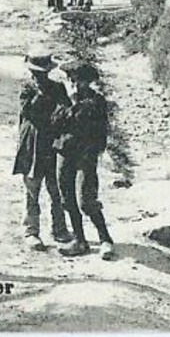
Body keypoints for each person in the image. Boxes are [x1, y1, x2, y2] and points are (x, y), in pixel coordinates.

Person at [52, 61, 115, 259]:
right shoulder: (64, 98)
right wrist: (70, 103)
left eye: (79, 81)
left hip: (85, 156)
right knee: (67, 199)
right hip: (64, 153)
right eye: (71, 80)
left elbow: (92, 127)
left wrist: (73, 105)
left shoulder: (96, 102)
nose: (74, 84)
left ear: (88, 82)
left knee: (86, 200)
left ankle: (105, 239)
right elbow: (55, 122)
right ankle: (80, 240)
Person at [13, 54, 71, 249]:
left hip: (53, 144)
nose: (40, 76)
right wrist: (40, 95)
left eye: (44, 73)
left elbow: (65, 110)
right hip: (32, 144)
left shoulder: (58, 88)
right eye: (37, 73)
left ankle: (59, 229)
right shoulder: (27, 89)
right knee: (32, 188)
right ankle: (31, 231)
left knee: (57, 189)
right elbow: (28, 111)